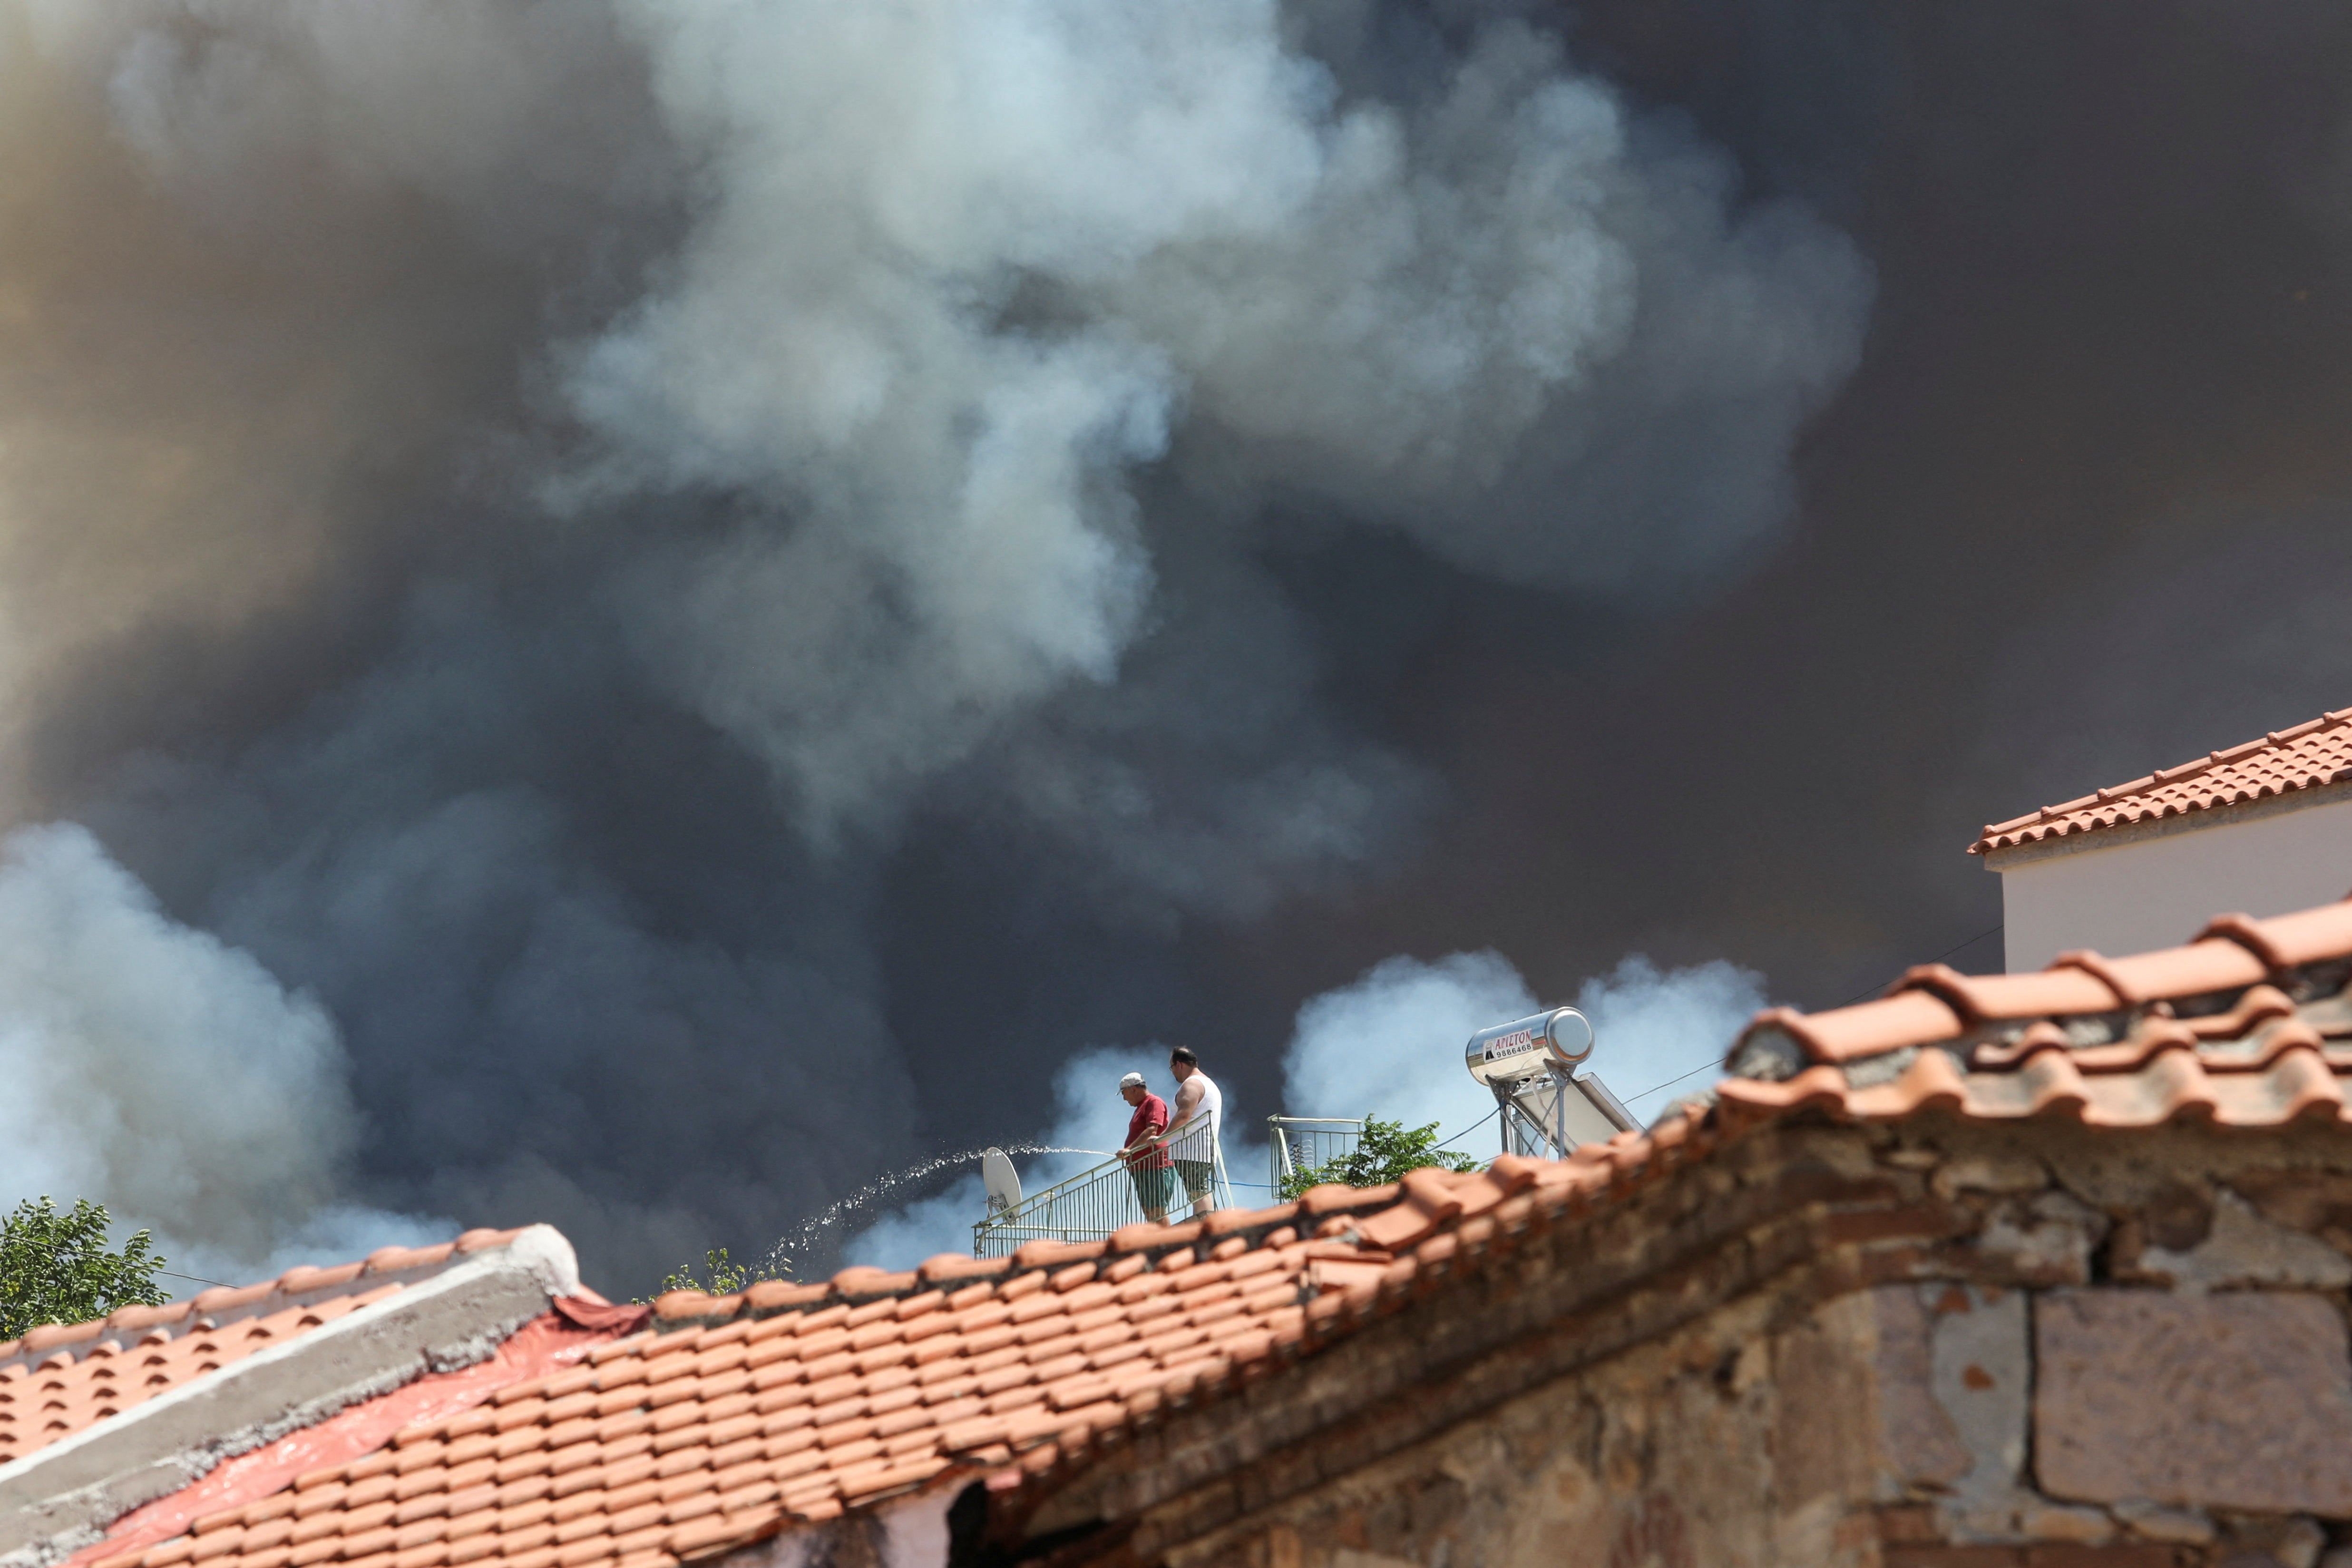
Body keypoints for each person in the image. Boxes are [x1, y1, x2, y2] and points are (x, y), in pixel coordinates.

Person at [1167, 1046, 1223, 1218]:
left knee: (1197, 1190)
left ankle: (1205, 1222)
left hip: (1192, 1152)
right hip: (1201, 1150)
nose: (1173, 1073)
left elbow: (1184, 1114)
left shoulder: (1192, 1085)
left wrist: (1162, 1138)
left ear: (1179, 1065)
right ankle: (1204, 1220)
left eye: (1172, 1068)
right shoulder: (1208, 1083)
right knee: (1197, 1189)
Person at [1117, 1071, 1174, 1223]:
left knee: (1157, 1210)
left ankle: (1168, 1244)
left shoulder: (1153, 1102)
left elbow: (1152, 1130)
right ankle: (1157, 1243)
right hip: (1143, 1169)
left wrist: (1129, 1149)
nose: (1124, 1098)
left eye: (1124, 1093)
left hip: (1155, 1167)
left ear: (1134, 1089)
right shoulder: (1142, 1106)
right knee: (1149, 1211)